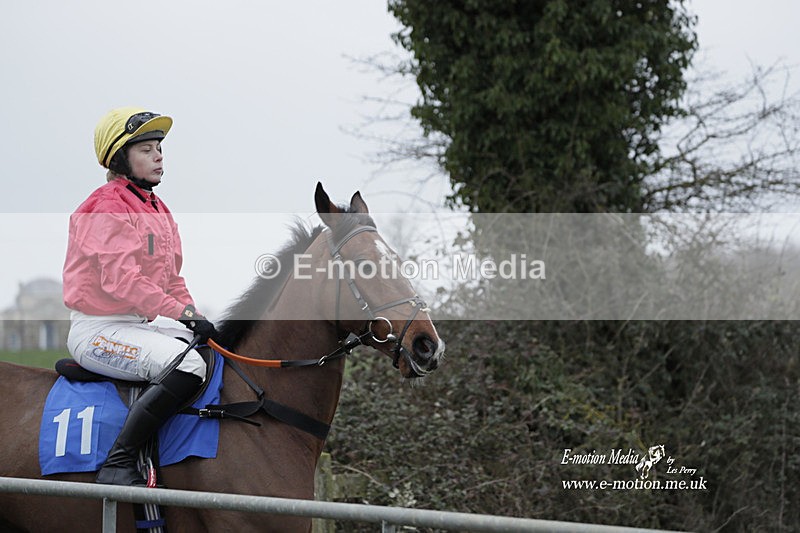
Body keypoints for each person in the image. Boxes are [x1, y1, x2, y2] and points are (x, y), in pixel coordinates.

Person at [63, 107, 216, 486]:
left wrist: (193, 314)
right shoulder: (107, 205)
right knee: (189, 367)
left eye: (159, 147)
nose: (159, 155)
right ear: (120, 158)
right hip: (98, 331)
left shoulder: (156, 208)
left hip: (136, 326)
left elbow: (171, 280)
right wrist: (180, 312)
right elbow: (122, 281)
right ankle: (119, 462)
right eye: (146, 149)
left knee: (209, 353)